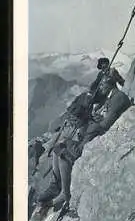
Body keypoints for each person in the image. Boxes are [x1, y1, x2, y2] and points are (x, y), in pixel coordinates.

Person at [37, 58, 126, 211]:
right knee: (60, 147)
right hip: (92, 134)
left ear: (108, 84)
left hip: (97, 139)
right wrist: (93, 118)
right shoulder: (109, 96)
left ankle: (65, 193)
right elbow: (101, 118)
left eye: (102, 85)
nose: (100, 89)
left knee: (63, 153)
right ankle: (56, 185)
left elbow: (105, 125)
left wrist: (93, 121)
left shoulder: (118, 98)